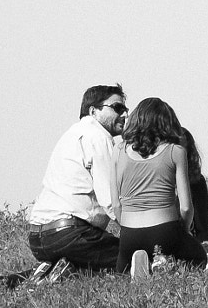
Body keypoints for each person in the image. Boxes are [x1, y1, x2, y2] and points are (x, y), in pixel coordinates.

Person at [24, 85, 130, 274]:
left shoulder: (70, 135)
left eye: (125, 110)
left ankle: (14, 280)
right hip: (71, 234)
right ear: (93, 111)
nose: (124, 115)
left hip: (38, 238)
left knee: (82, 269)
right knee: (133, 257)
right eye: (117, 108)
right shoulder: (98, 137)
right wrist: (136, 230)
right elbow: (110, 201)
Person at [111, 97, 208, 276]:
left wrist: (125, 228)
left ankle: (141, 264)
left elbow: (116, 205)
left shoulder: (118, 151)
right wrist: (183, 231)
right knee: (198, 258)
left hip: (129, 234)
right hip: (165, 230)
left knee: (122, 273)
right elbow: (186, 207)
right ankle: (163, 263)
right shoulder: (175, 151)